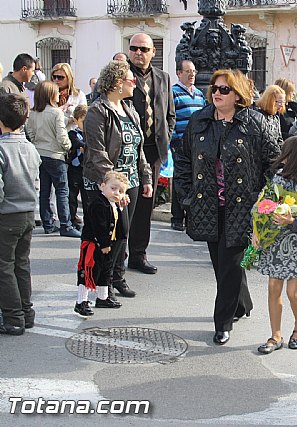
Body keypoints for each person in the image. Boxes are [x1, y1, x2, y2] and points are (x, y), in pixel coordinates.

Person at [173, 69, 280, 345]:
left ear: (238, 95)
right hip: (208, 204)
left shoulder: (254, 123)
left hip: (242, 206)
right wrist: (186, 194)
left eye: (224, 90)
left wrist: (265, 199)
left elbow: (274, 162)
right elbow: (183, 157)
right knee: (221, 263)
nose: (217, 94)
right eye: (215, 89)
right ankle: (242, 304)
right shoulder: (200, 120)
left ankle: (222, 323)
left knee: (231, 263)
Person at [83, 60, 153, 300]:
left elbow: (138, 147)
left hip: (129, 182)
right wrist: (113, 187)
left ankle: (117, 278)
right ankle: (103, 284)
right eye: (131, 79)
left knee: (123, 233)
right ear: (116, 82)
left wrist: (145, 177)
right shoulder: (97, 111)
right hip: (105, 186)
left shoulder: (129, 108)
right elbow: (97, 152)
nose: (135, 83)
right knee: (106, 236)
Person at [255, 136, 297, 354]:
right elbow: (263, 203)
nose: (282, 156)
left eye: (286, 152)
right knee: (273, 287)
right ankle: (275, 336)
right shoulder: (277, 177)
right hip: (276, 239)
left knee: (294, 292)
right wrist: (257, 230)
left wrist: (292, 220)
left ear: (296, 157)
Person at [127, 32, 176, 275]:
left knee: (145, 205)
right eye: (134, 48)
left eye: (144, 49)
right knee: (122, 204)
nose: (138, 53)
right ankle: (116, 254)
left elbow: (170, 114)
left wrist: (165, 136)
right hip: (126, 151)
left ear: (153, 52)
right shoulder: (121, 75)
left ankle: (138, 254)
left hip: (152, 151)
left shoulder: (163, 78)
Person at [0, 92, 41, 335]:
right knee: (21, 264)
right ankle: (26, 312)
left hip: (7, 214)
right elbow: (35, 180)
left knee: (4, 266)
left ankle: (13, 317)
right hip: (27, 212)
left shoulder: (2, 149)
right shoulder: (29, 147)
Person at [25, 81, 81, 238]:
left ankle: (48, 223)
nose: (59, 94)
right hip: (56, 155)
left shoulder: (34, 112)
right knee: (62, 190)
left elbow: (31, 134)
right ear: (51, 94)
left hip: (40, 154)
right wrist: (68, 146)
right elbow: (62, 136)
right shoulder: (56, 113)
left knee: (45, 190)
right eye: (56, 92)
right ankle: (66, 224)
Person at [74, 171, 129, 316]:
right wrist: (104, 244)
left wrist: (122, 208)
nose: (116, 193)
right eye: (113, 188)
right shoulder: (98, 204)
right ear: (102, 187)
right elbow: (99, 226)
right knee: (88, 272)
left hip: (108, 244)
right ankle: (81, 301)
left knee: (105, 271)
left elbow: (123, 230)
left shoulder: (115, 205)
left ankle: (103, 298)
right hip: (94, 244)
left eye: (121, 191)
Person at [169, 59, 206, 231]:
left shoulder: (199, 94)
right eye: (188, 71)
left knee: (194, 178)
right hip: (179, 143)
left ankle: (191, 215)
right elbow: (171, 117)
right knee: (179, 179)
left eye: (194, 72)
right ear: (179, 73)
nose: (192, 75)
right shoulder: (173, 92)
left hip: (196, 143)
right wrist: (175, 140)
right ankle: (177, 217)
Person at [67, 104, 89, 229]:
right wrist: (84, 146)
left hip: (86, 169)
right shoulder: (73, 133)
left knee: (87, 197)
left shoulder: (92, 134)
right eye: (82, 121)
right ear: (76, 120)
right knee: (72, 195)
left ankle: (88, 219)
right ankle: (72, 218)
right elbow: (77, 143)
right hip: (75, 168)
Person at [50, 62, 88, 131]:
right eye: (54, 77)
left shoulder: (78, 95)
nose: (56, 80)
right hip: (53, 134)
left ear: (69, 78)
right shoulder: (48, 94)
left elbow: (83, 116)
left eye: (60, 77)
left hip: (72, 133)